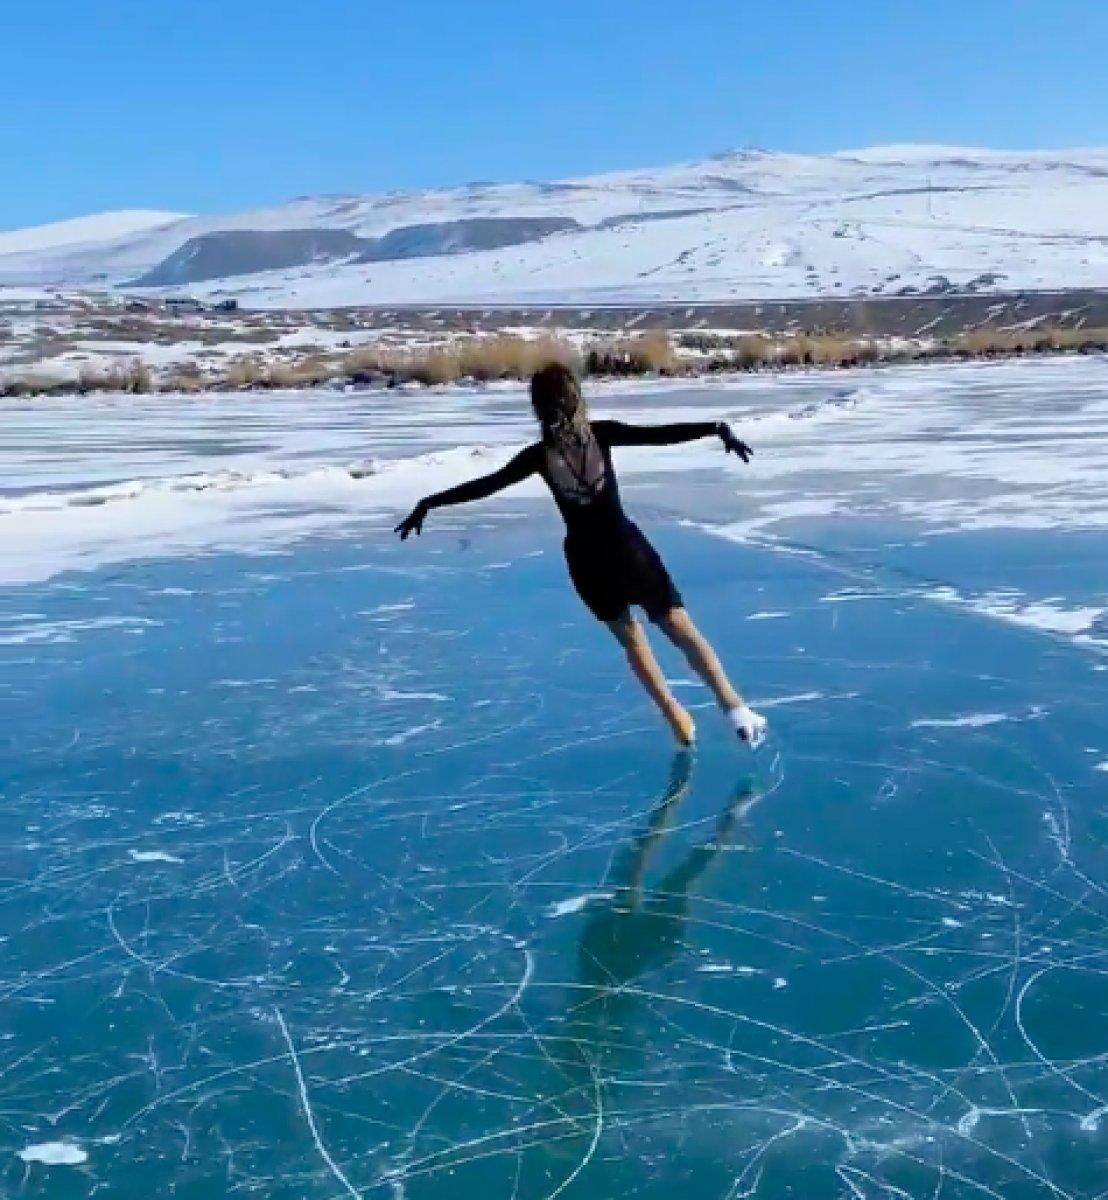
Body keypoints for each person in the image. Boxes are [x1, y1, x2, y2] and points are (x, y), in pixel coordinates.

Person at [394, 362, 766, 748]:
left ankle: (675, 716)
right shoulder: (602, 435)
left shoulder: (538, 457)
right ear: (577, 399)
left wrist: (430, 502)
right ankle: (734, 707)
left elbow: (488, 485)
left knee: (633, 641)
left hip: (587, 562)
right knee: (678, 627)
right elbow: (660, 435)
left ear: (539, 407)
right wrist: (716, 429)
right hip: (628, 550)